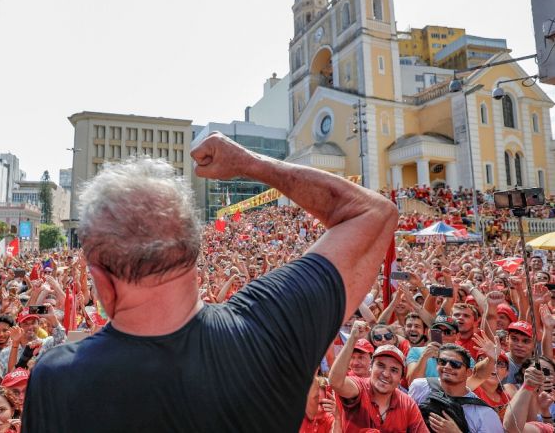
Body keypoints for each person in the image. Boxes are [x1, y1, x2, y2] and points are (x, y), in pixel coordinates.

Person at [23, 132, 398, 431]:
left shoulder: (56, 380)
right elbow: (374, 212)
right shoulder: (272, 328)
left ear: (102, 281)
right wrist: (252, 165)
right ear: (194, 249)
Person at [329, 320, 428, 432]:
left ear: (401, 378)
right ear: (371, 367)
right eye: (380, 365)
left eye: (394, 370)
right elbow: (335, 382)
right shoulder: (359, 388)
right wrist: (352, 338)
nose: (386, 374)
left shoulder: (407, 404)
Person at [409, 344, 503, 432]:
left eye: (455, 364)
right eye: (442, 362)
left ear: (468, 372)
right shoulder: (420, 387)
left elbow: (479, 375)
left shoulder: (484, 414)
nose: (447, 367)